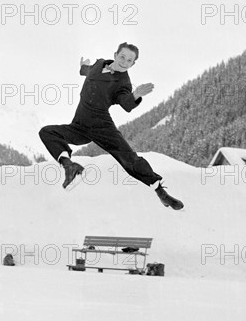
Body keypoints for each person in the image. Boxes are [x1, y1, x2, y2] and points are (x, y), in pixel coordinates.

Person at [38, 42, 184, 210]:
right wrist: (83, 67)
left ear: (133, 64)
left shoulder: (123, 83)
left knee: (129, 158)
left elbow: (126, 103)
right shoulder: (99, 64)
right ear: (115, 55)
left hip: (102, 127)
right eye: (122, 56)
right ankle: (69, 166)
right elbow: (87, 71)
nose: (124, 61)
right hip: (79, 125)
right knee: (47, 132)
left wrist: (135, 95)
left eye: (129, 60)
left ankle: (160, 192)